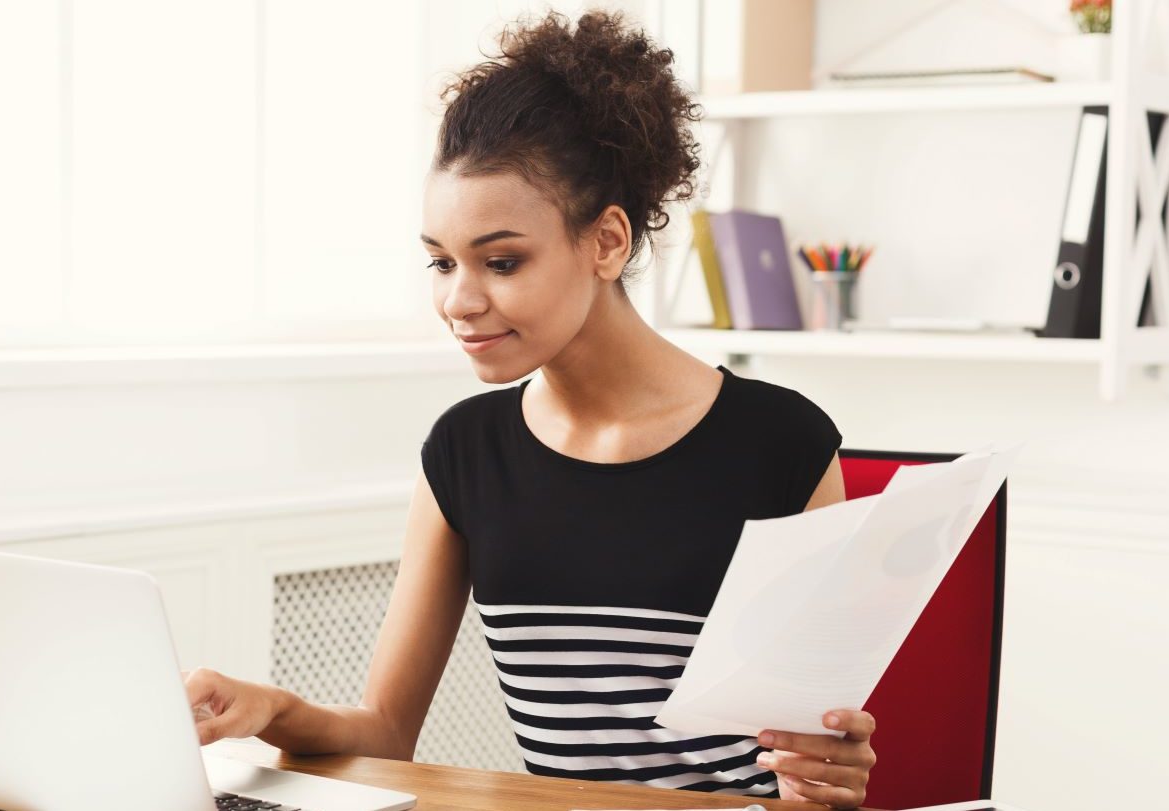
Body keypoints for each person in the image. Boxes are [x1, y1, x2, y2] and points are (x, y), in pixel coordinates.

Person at [184, 9, 875, 808]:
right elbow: (384, 732)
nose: (458, 299)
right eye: (440, 261)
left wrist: (823, 778)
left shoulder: (780, 443)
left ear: (606, 242)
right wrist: (276, 709)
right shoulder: (463, 451)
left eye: (501, 260)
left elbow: (813, 759)